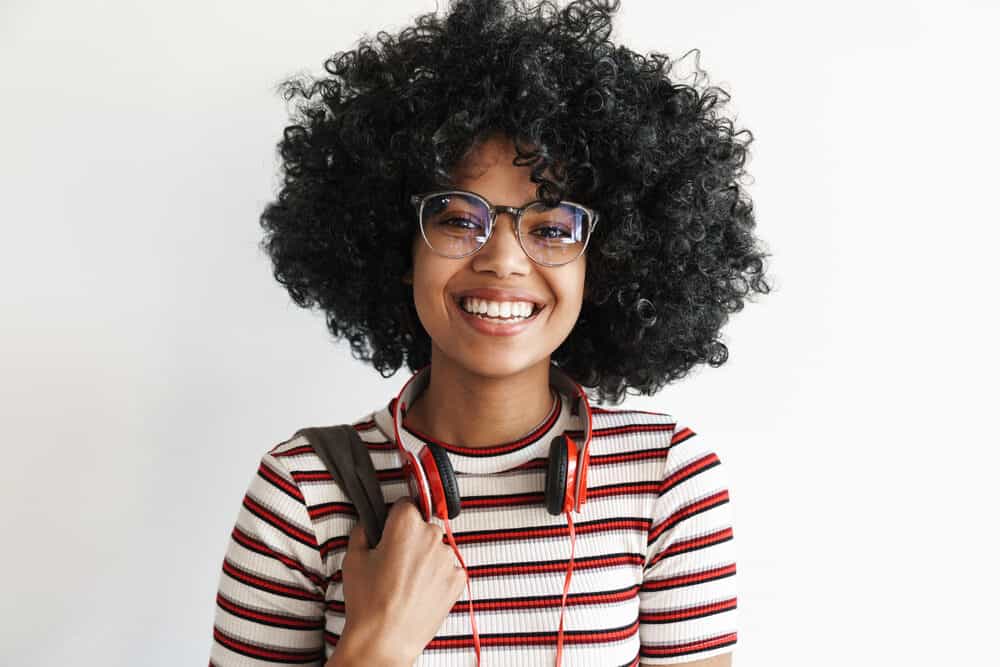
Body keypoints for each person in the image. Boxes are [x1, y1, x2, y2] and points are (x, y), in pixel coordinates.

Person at [208, 0, 771, 665]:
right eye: (456, 218)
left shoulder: (666, 480)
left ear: (608, 260)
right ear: (398, 246)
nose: (503, 260)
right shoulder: (303, 492)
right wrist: (375, 645)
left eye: (552, 227)